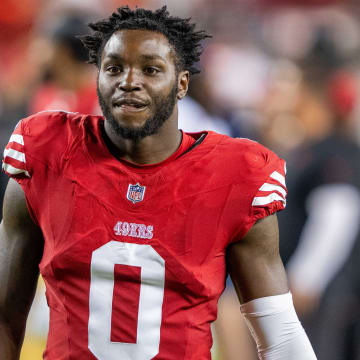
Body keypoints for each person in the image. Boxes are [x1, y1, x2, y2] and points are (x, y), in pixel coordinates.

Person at [0, 6, 316, 360]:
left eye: (150, 69)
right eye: (114, 67)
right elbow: (4, 317)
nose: (129, 81)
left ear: (182, 83)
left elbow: (280, 337)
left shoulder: (236, 175)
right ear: (98, 77)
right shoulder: (47, 154)